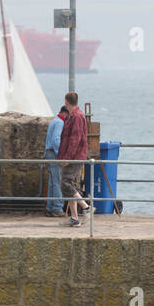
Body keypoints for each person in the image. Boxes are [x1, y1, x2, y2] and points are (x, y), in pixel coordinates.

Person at [57, 91, 91, 226]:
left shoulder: (76, 117)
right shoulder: (74, 115)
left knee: (66, 184)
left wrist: (67, 158)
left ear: (67, 102)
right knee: (71, 185)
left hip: (74, 156)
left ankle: (85, 206)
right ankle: (74, 218)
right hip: (74, 155)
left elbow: (74, 140)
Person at [43, 103, 66, 216]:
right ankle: (57, 207)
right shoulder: (60, 123)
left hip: (49, 153)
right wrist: (61, 155)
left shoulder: (54, 121)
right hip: (54, 153)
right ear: (65, 113)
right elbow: (56, 140)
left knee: (52, 182)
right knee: (58, 182)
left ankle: (50, 207)